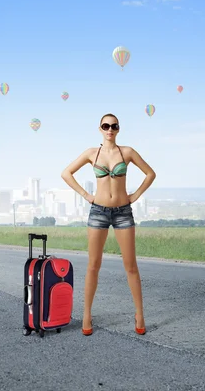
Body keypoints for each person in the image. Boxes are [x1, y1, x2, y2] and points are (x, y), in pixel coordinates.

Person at [60, 113, 156, 336]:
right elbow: (66, 173)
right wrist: (87, 195)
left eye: (114, 126)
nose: (110, 129)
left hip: (123, 212)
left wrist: (135, 195)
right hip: (98, 212)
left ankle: (140, 314)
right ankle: (86, 314)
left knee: (131, 265)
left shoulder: (128, 152)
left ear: (118, 129)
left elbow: (150, 174)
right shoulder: (91, 153)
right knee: (93, 265)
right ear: (100, 129)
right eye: (106, 126)